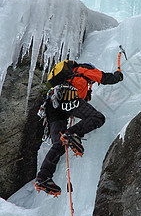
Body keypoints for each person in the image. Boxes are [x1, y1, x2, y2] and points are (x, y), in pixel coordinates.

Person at [34, 61, 123, 195]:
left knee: (59, 144)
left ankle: (43, 177)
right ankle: (71, 134)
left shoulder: (67, 80)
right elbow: (103, 78)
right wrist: (117, 76)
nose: (91, 84)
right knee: (97, 118)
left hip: (52, 107)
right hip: (67, 97)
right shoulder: (82, 69)